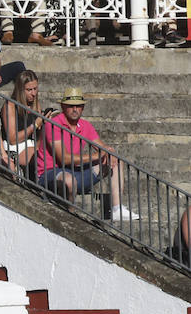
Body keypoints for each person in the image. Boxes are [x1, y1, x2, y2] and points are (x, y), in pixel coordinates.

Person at [36, 87, 138, 221]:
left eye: (78, 106)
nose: (75, 109)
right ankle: (71, 216)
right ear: (63, 106)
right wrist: (97, 155)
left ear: (83, 107)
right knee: (69, 180)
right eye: (71, 106)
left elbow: (102, 147)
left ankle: (117, 209)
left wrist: (110, 152)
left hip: (75, 172)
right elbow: (65, 159)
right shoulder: (53, 124)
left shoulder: (85, 125)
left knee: (116, 161)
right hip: (49, 174)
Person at [1, 69, 46, 175]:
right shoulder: (10, 106)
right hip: (14, 147)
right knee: (39, 156)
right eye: (29, 90)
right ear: (21, 90)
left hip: (31, 144)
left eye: (35, 88)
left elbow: (39, 135)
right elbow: (12, 139)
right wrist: (34, 125)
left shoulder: (35, 104)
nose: (34, 93)